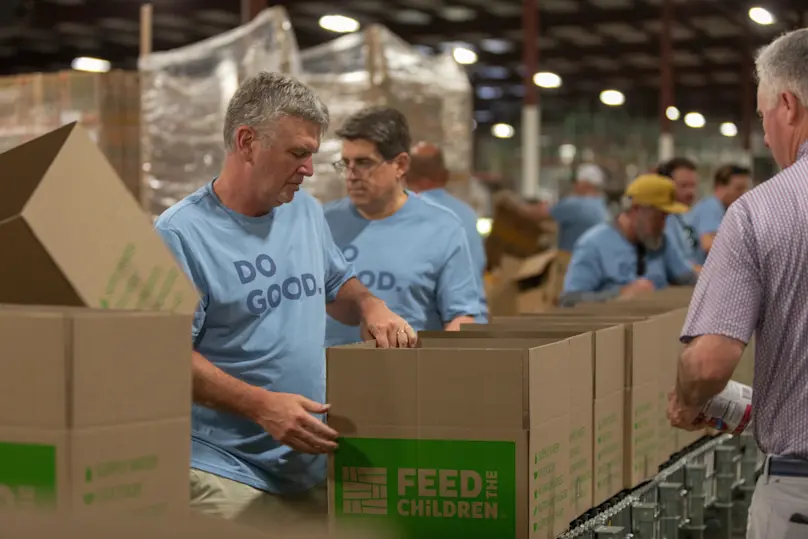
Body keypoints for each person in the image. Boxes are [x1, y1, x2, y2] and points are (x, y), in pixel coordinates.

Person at [153, 72, 416, 531]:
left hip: (307, 464)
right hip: (224, 470)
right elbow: (162, 357)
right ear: (247, 142)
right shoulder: (181, 235)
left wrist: (372, 306)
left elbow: (339, 286)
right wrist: (262, 405)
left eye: (313, 155)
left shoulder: (304, 212)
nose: (310, 170)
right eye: (298, 153)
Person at [667, 28, 808, 539]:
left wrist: (688, 399)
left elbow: (709, 361)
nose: (766, 134)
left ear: (788, 106)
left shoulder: (761, 211)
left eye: (764, 114)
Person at [323, 107, 483, 346]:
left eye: (364, 163)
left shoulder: (442, 228)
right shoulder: (322, 223)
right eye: (346, 163)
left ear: (400, 164)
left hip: (406, 375)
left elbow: (462, 316)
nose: (351, 175)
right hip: (328, 376)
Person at [560, 174, 697, 306]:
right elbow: (569, 300)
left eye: (666, 217)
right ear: (636, 209)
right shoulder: (593, 244)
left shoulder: (660, 241)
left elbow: (688, 279)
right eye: (658, 217)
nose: (663, 225)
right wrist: (620, 294)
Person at [407, 141, 487, 279]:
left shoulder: (404, 215)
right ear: (446, 176)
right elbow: (479, 264)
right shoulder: (467, 214)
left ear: (406, 177)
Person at [687, 164, 751, 264]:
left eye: (745, 189)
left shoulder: (723, 209)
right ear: (720, 187)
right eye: (738, 188)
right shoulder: (711, 206)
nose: (743, 194)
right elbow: (708, 244)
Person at [657, 157, 701, 268]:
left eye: (693, 186)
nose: (690, 192)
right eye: (683, 186)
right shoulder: (663, 219)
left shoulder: (686, 215)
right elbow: (677, 265)